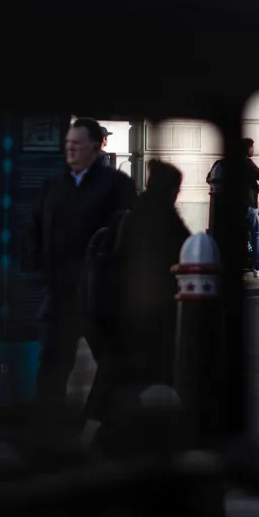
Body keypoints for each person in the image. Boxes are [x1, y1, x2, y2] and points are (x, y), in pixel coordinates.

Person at [32, 119, 134, 415]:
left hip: (98, 293)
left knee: (111, 360)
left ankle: (101, 421)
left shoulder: (116, 184)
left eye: (77, 144)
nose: (71, 149)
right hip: (61, 291)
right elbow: (37, 228)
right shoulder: (53, 185)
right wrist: (41, 264)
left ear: (96, 145)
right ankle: (49, 422)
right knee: (53, 361)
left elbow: (128, 233)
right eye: (67, 144)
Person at [87, 159, 189, 442]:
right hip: (146, 314)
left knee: (114, 372)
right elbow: (183, 249)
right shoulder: (162, 218)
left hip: (117, 311)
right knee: (139, 371)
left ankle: (99, 426)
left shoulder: (135, 213)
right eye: (176, 189)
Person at [209, 137, 259, 275]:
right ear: (246, 149)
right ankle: (258, 267)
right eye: (251, 146)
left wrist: (258, 188)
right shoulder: (245, 163)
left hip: (228, 207)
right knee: (257, 232)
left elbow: (211, 178)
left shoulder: (224, 163)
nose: (253, 149)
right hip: (245, 205)